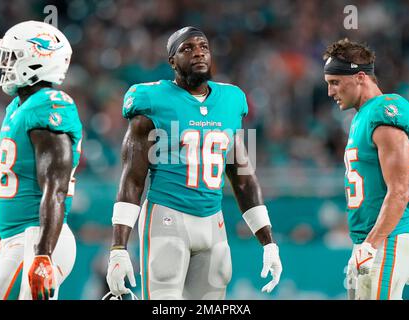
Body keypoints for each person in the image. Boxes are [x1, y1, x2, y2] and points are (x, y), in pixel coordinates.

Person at [106, 26, 282, 300]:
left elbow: (243, 177)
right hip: (167, 217)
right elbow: (132, 178)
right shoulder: (152, 99)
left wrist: (268, 242)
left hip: (214, 222)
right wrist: (118, 248)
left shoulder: (231, 100)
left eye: (203, 46)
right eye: (187, 48)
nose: (198, 52)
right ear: (172, 61)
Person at [0, 20, 82, 300]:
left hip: (37, 238)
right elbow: (14, 181)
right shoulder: (18, 107)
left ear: (35, 59)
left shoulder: (49, 104)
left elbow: (55, 186)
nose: (5, 65)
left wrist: (43, 252)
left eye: (12, 57)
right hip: (18, 239)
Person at [323, 38, 409, 300]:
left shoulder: (384, 113)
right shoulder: (363, 115)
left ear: (360, 77)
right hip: (371, 239)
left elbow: (399, 190)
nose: (330, 92)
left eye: (335, 82)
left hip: (386, 239)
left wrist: (371, 246)